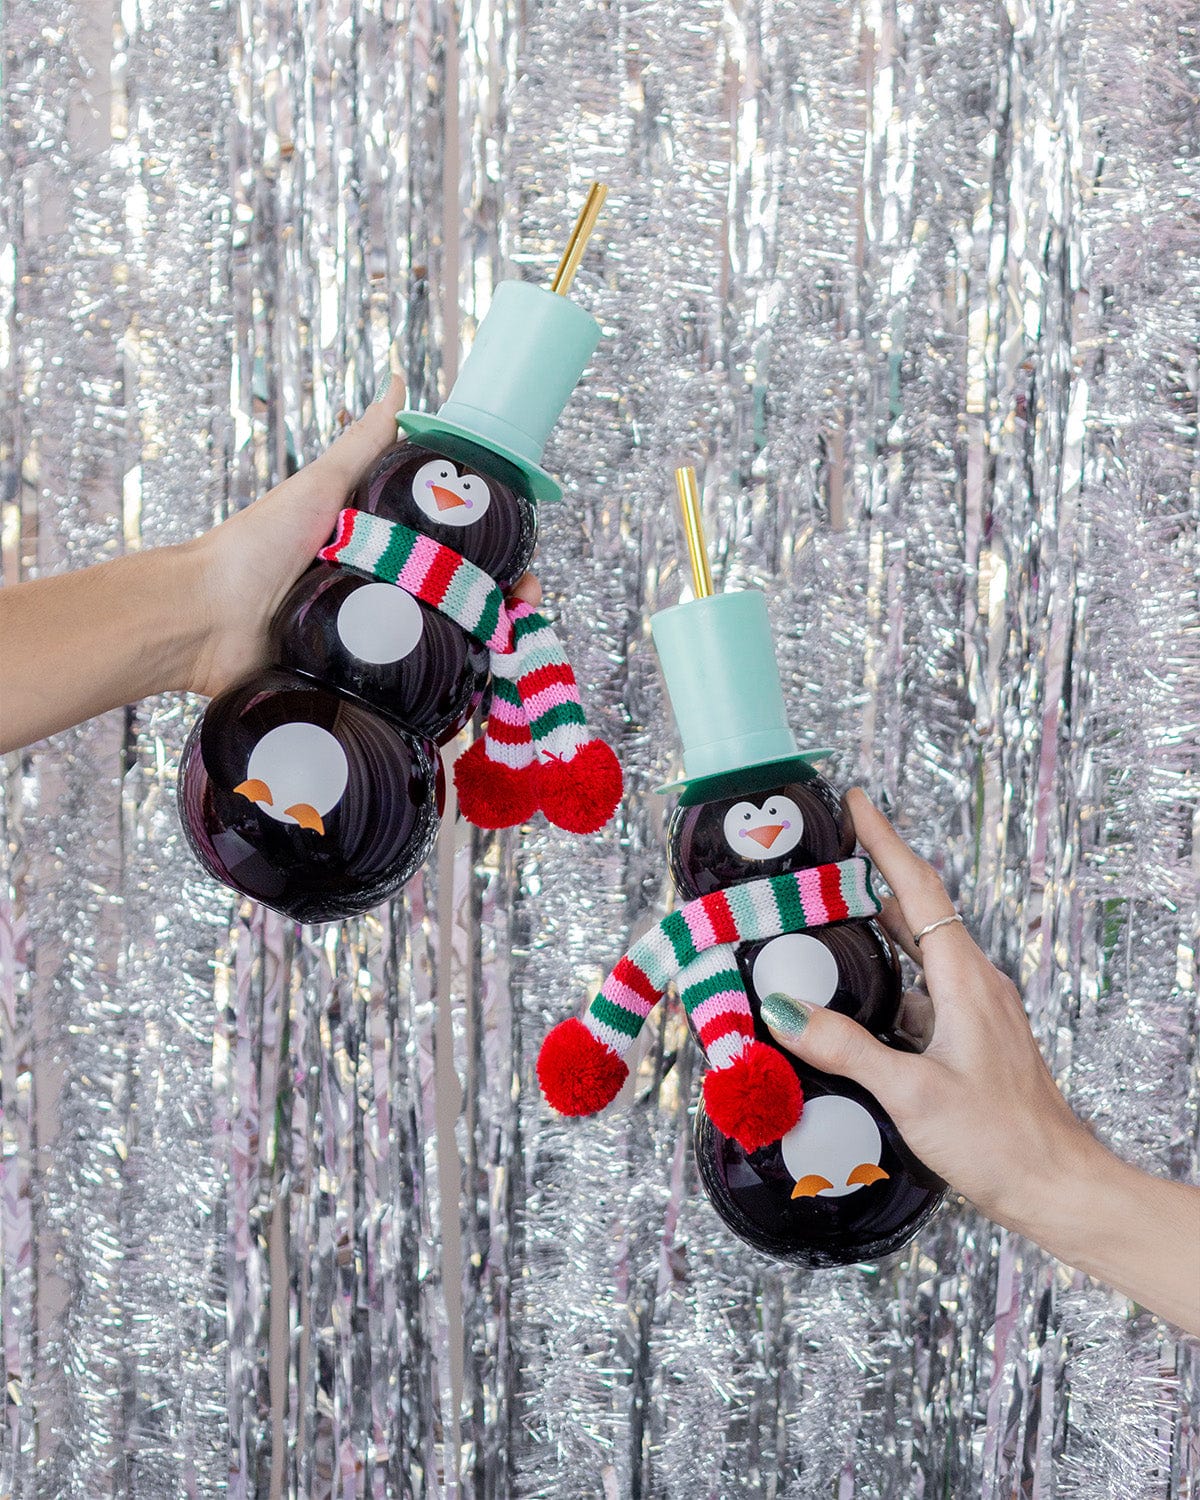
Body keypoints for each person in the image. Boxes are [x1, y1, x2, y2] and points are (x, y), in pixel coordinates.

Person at [1, 379, 1196, 1336]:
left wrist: (1051, 1179)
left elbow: (538, 701)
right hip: (330, 717)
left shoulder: (760, 918)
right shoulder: (399, 612)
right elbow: (630, 940)